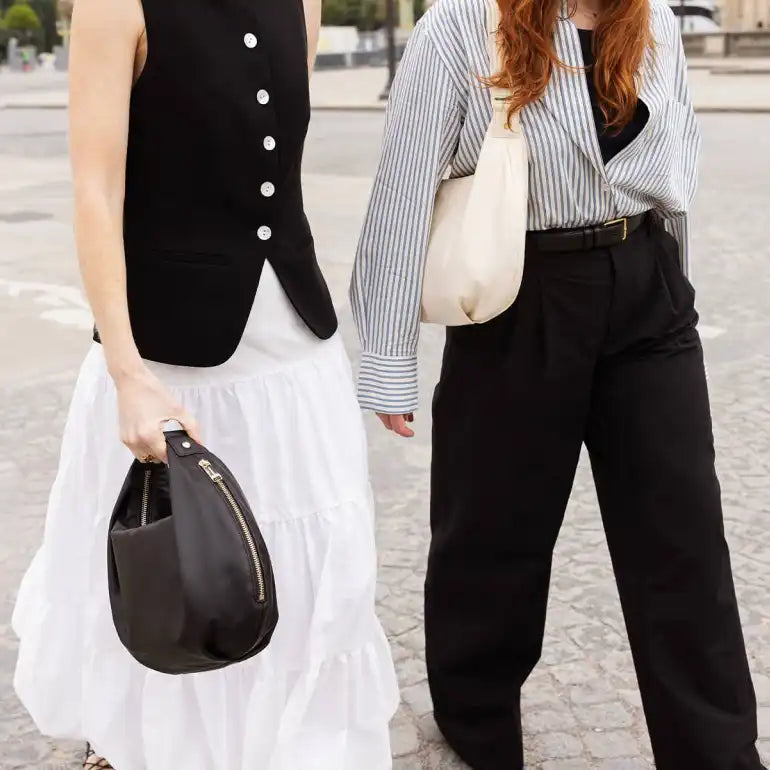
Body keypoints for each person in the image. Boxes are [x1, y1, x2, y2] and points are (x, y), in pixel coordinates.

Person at [351, 0, 767, 768]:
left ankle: (717, 752)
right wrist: (387, 357)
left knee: (685, 537)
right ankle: (476, 713)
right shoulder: (461, 23)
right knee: (493, 530)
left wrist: (677, 285)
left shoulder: (654, 22)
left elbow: (676, 179)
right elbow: (405, 185)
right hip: (521, 292)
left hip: (646, 290)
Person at [12, 0, 398, 767]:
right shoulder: (114, 6)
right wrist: (126, 368)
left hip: (295, 359)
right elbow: (97, 193)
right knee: (176, 583)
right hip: (170, 372)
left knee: (317, 581)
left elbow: (268, 171)